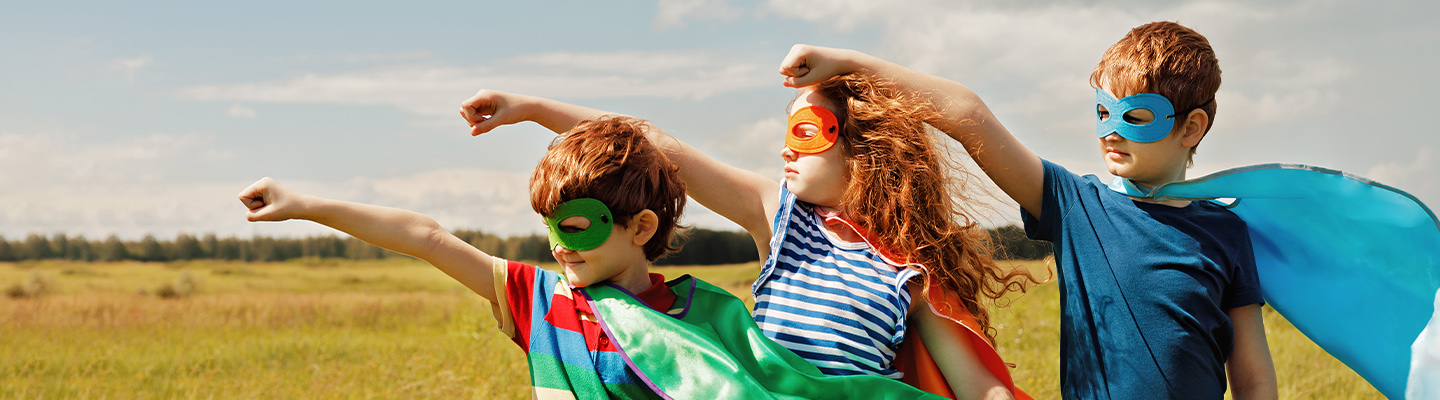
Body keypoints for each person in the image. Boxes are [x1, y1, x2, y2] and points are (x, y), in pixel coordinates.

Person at [238, 115, 944, 399]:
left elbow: (783, 390)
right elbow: (426, 236)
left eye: (576, 227)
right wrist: (306, 204)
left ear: (641, 227)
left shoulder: (709, 315)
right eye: (548, 225)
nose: (557, 243)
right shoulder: (538, 302)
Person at [774, 21, 1279, 399]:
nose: (1111, 132)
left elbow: (1254, 378)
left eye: (1137, 117)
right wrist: (848, 62)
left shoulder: (1225, 232)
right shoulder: (1076, 205)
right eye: (1103, 112)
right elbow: (968, 116)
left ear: (1191, 128)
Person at [460, 73, 1037, 399]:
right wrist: (532, 108)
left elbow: (981, 391)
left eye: (807, 132)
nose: (786, 148)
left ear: (865, 147)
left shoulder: (912, 275)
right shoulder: (782, 220)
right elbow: (655, 146)